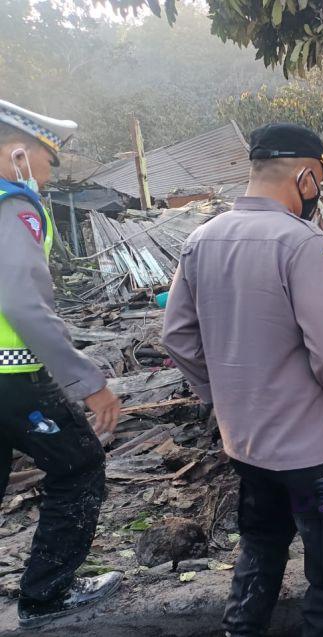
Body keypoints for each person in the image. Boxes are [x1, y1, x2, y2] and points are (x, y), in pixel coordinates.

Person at [162, 123, 323, 637]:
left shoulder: (200, 241)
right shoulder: (302, 243)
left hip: (247, 448)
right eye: (319, 183)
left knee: (260, 548)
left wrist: (223, 399)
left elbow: (177, 338)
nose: (318, 194)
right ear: (306, 177)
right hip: (315, 457)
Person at [0, 100, 123, 628]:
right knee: (79, 466)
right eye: (49, 163)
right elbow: (23, 302)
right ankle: (46, 596)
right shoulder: (14, 205)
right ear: (20, 155)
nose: (50, 178)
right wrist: (86, 381)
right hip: (14, 377)